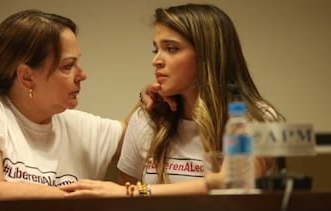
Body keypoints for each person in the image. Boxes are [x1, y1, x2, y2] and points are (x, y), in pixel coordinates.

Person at [60, 3, 285, 197]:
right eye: (156, 49)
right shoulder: (147, 117)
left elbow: (230, 182)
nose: (156, 61)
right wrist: (131, 192)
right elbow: (126, 193)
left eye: (171, 49)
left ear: (207, 56)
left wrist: (139, 192)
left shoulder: (255, 117)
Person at [0, 9, 141, 199]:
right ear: (27, 77)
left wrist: (150, 96)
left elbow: (135, 138)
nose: (82, 75)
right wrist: (78, 198)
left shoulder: (74, 125)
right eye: (68, 66)